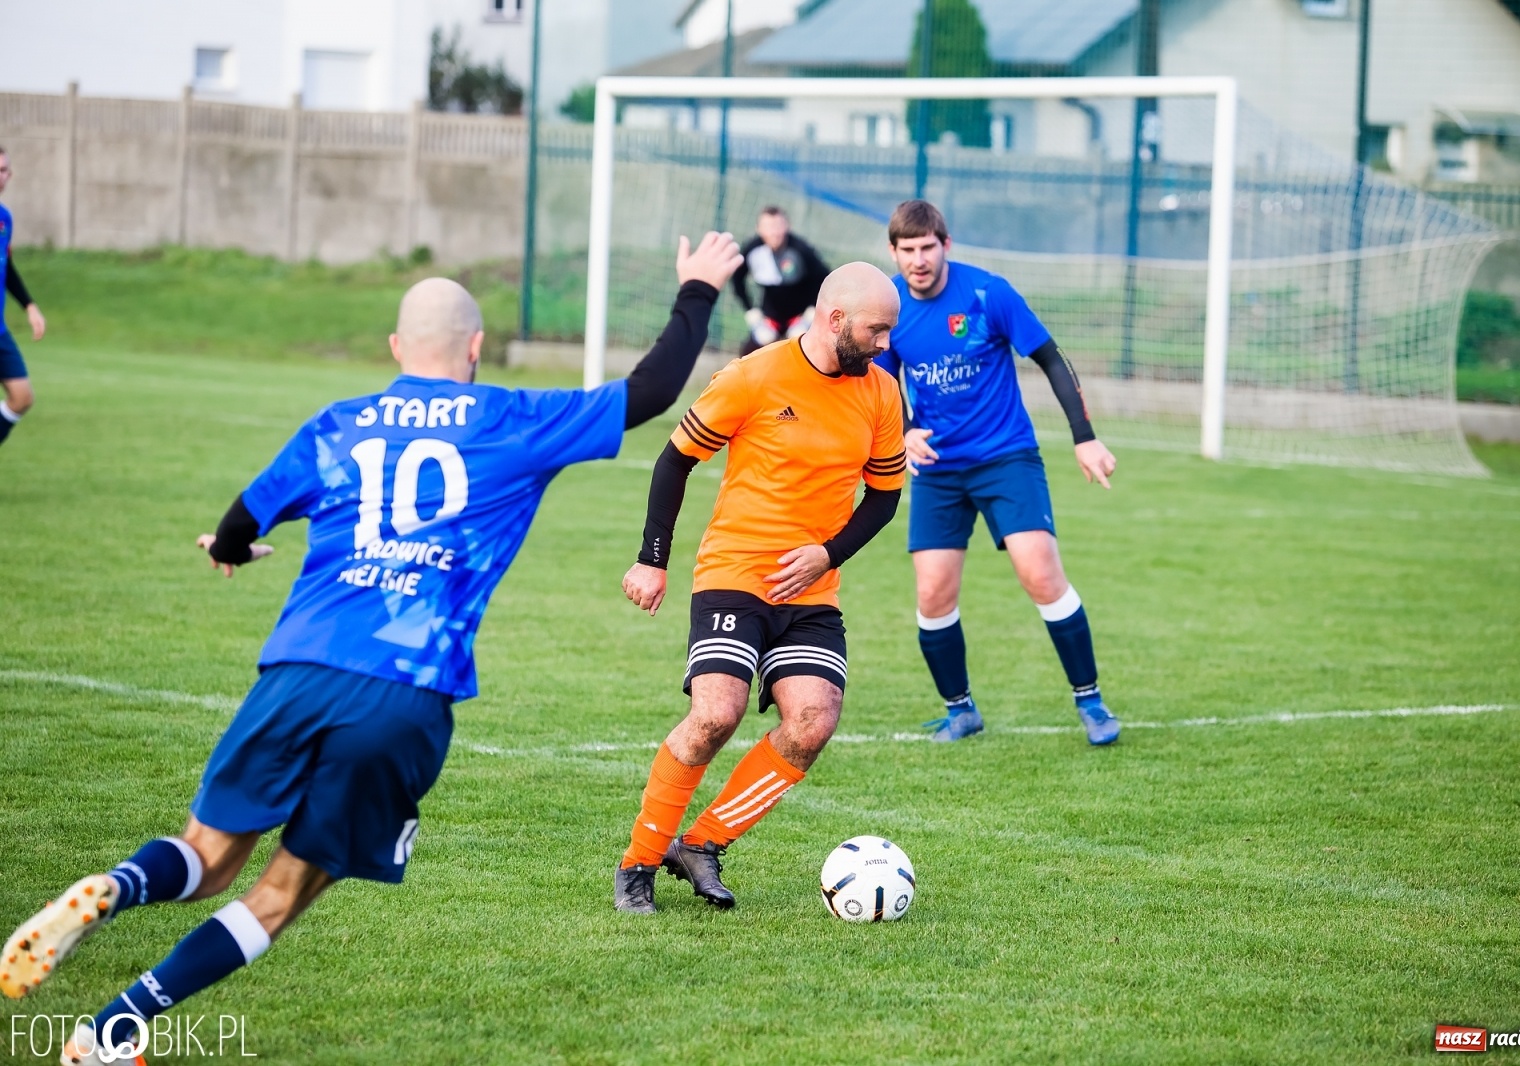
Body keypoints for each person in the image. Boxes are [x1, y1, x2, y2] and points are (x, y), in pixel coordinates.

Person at [1, 233, 744, 1064]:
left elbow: (244, 516)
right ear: (473, 347)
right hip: (406, 691)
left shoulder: (338, 423)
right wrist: (696, 289)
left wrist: (231, 548)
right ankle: (113, 1028)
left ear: (397, 349)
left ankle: (117, 888)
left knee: (205, 858)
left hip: (299, 668)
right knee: (281, 895)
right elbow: (648, 392)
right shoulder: (509, 418)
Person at [614, 261, 907, 914]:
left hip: (810, 591)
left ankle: (703, 843)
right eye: (877, 330)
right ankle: (638, 862)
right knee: (716, 715)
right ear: (835, 321)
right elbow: (675, 460)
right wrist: (651, 559)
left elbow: (884, 499)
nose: (886, 344)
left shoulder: (882, 394)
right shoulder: (753, 376)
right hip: (734, 575)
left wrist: (826, 554)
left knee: (812, 721)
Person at [874, 200, 1121, 746]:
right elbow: (878, 382)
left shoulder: (988, 293)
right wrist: (906, 428)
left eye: (927, 248)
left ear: (946, 244)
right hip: (938, 470)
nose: (918, 260)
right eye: (907, 250)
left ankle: (1091, 701)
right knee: (934, 592)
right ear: (893, 252)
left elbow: (1051, 358)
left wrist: (1085, 438)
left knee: (1040, 574)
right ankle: (960, 710)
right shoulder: (888, 308)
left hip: (1006, 457)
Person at [731, 205, 829, 355]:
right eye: (769, 227)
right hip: (769, 317)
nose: (774, 233)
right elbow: (737, 279)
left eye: (778, 226)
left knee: (804, 349)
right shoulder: (752, 250)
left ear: (787, 226)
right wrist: (750, 309)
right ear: (759, 229)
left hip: (800, 315)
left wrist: (813, 308)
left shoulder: (801, 250)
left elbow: (823, 276)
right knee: (751, 350)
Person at [0, 146, 47, 450]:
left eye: (4, 170)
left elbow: (7, 266)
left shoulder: (5, 219)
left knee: (22, 397)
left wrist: (29, 305)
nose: (2, 176)